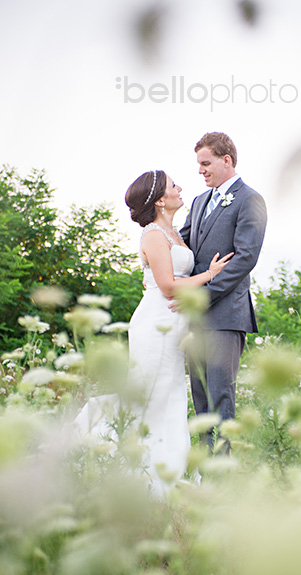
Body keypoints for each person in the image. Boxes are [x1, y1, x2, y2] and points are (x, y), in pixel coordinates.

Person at [76, 170, 232, 498]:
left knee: (171, 396)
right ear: (160, 199)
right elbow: (168, 285)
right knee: (152, 395)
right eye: (174, 185)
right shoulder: (153, 236)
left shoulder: (173, 233)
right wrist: (209, 274)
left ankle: (165, 473)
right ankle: (126, 466)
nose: (180, 188)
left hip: (175, 324)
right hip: (156, 322)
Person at [179, 132, 267, 453]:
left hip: (226, 315)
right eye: (199, 164)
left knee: (221, 396)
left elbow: (245, 258)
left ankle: (225, 467)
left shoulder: (250, 200)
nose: (200, 171)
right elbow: (183, 245)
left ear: (226, 160)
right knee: (199, 396)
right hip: (194, 320)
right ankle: (204, 465)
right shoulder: (200, 201)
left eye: (206, 163)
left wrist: (203, 296)